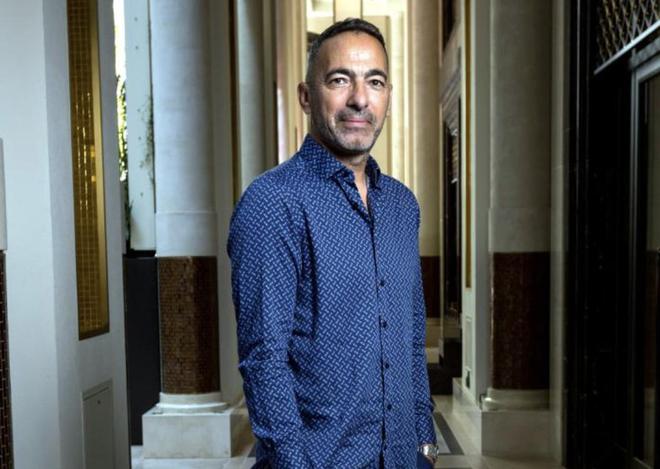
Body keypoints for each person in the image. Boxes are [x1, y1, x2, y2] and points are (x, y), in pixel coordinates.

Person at [227, 18, 438, 468]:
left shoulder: (402, 206)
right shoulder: (272, 203)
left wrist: (424, 440)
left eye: (375, 82)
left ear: (388, 96)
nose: (360, 98)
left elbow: (411, 335)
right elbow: (264, 360)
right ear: (306, 96)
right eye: (340, 80)